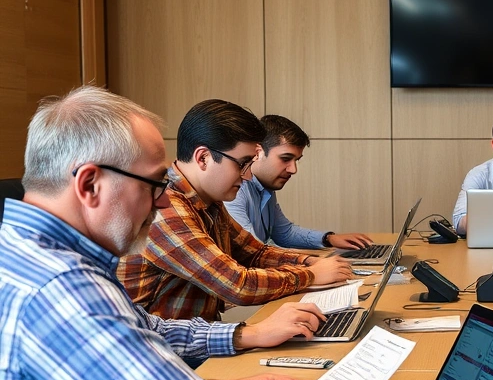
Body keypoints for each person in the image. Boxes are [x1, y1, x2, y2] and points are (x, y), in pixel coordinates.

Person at [0, 86, 424, 380]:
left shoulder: (26, 253)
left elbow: (148, 329)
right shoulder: (64, 291)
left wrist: (234, 353)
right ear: (90, 184)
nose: (162, 198)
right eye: (153, 183)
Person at [117, 100, 354, 321]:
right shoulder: (167, 208)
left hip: (202, 338)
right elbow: (237, 284)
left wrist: (309, 261)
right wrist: (310, 275)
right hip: (163, 351)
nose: (249, 175)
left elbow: (255, 253)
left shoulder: (209, 201)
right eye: (242, 164)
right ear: (203, 158)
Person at [225, 114, 372, 250]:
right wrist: (311, 264)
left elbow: (284, 233)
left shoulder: (266, 187)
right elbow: (253, 250)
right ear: (258, 153)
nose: (293, 169)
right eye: (285, 158)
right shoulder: (235, 191)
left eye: (296, 160)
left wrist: (328, 239)